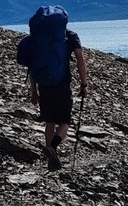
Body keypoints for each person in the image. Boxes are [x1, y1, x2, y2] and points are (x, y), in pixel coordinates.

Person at [29, 24, 88, 170]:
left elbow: (32, 65)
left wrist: (34, 92)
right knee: (64, 121)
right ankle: (53, 148)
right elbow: (80, 57)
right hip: (62, 85)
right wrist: (84, 84)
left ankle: (52, 160)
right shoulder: (70, 36)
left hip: (44, 85)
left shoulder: (40, 37)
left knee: (50, 121)